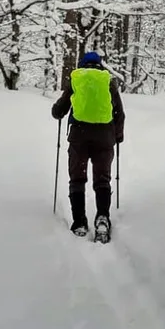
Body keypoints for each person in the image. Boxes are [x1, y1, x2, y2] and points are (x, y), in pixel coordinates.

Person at [52, 51, 125, 240]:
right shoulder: (108, 82)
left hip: (79, 137)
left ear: (82, 64)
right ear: (100, 65)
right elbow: (119, 113)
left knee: (77, 179)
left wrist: (57, 112)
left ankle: (79, 223)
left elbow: (59, 110)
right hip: (104, 138)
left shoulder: (77, 80)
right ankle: (102, 218)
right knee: (102, 180)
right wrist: (117, 136)